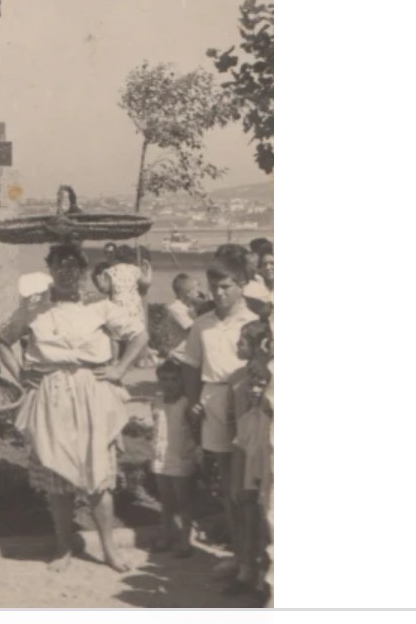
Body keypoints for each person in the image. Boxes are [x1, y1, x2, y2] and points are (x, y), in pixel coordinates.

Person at [0, 243, 144, 574]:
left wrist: (119, 370)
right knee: (56, 476)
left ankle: (109, 550)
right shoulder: (34, 307)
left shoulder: (100, 305)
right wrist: (20, 374)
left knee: (98, 476)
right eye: (60, 266)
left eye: (74, 266)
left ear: (83, 271)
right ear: (49, 269)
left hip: (92, 393)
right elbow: (2, 340)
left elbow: (138, 336)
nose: (67, 272)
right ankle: (63, 546)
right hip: (50, 394)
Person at [176, 258, 257, 584]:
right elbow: (191, 365)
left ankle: (258, 559)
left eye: (226, 286)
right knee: (228, 486)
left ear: (241, 285)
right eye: (214, 287)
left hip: (248, 402)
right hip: (214, 399)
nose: (219, 293)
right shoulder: (202, 324)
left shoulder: (255, 320)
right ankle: (239, 556)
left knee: (251, 485)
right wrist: (193, 400)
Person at [229, 317, 274, 601]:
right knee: (250, 525)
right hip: (251, 478)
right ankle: (247, 574)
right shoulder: (248, 418)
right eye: (253, 384)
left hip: (268, 479)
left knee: (268, 528)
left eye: (262, 384)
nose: (256, 389)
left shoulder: (270, 420)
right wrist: (237, 483)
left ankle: (264, 585)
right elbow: (239, 447)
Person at [150, 359, 198, 557]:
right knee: (166, 499)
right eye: (164, 379)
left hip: (180, 457)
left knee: (183, 500)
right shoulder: (156, 402)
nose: (169, 384)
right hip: (161, 457)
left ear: (181, 381)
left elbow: (194, 429)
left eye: (174, 379)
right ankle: (167, 535)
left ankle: (186, 539)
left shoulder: (186, 403)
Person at [92, 244, 153, 357]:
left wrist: (99, 279)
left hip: (118, 303)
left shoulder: (110, 271)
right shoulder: (135, 270)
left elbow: (104, 288)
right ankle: (135, 358)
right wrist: (148, 269)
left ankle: (115, 359)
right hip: (134, 304)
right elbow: (146, 283)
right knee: (135, 331)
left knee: (115, 334)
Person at [164, 273, 204, 355]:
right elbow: (194, 328)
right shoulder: (176, 308)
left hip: (191, 352)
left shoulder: (190, 308)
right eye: (197, 292)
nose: (199, 294)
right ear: (188, 294)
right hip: (180, 354)